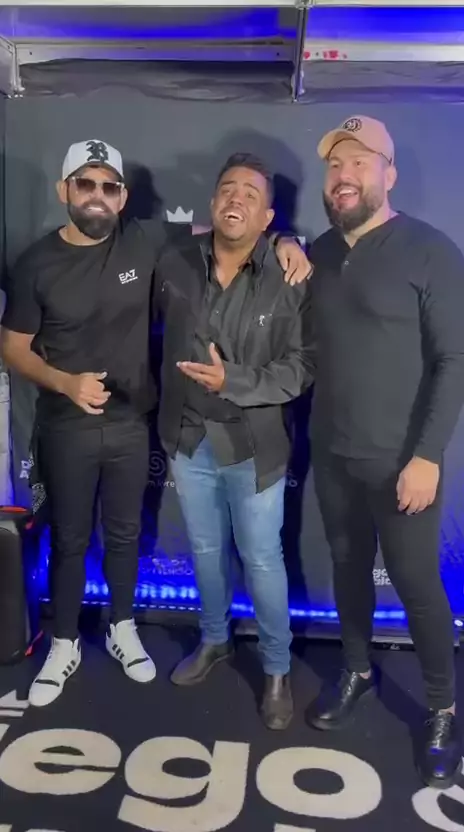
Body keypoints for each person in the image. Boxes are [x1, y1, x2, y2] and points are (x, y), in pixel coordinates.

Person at [1, 139, 310, 708]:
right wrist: (65, 383)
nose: (97, 196)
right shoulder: (65, 262)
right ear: (64, 189)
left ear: (123, 197)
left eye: (109, 186)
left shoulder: (170, 245)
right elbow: (13, 345)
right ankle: (94, 642)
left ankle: (250, 662)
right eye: (85, 184)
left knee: (208, 550)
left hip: (194, 434)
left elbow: (297, 358)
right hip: (122, 430)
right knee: (94, 541)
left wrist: (285, 240)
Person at [306, 115, 464, 788]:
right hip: (332, 455)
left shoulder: (430, 250)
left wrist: (427, 456)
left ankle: (442, 709)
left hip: (404, 464)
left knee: (418, 587)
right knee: (347, 569)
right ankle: (357, 671)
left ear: (388, 174)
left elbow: (455, 360)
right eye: (335, 165)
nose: (344, 176)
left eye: (359, 163)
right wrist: (284, 243)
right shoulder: (317, 252)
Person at [153, 153, 314, 730]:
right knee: (204, 551)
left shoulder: (290, 277)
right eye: (227, 188)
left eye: (250, 192)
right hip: (189, 437)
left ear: (267, 216)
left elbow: (302, 368)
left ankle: (276, 669)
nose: (236, 197)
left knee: (263, 559)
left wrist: (235, 382)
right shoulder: (175, 259)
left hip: (253, 445)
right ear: (212, 202)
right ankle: (215, 639)